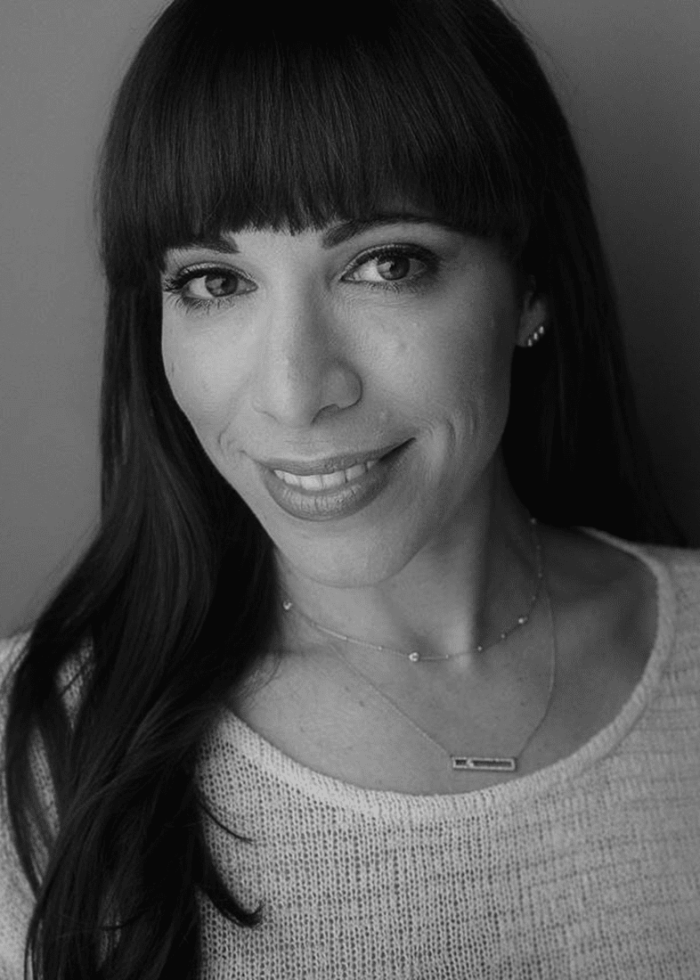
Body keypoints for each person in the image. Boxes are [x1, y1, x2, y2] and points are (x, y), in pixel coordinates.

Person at [1, 0, 699, 976]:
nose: (294, 390)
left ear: (530, 285)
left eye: (385, 262)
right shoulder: (30, 752)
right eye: (213, 280)